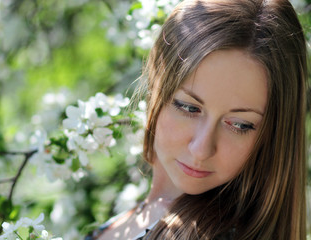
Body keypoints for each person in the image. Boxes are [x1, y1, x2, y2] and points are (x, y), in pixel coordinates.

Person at [87, 0, 308, 239]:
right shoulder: (138, 217)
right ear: (155, 85)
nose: (201, 149)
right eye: (189, 108)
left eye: (240, 124)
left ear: (273, 133)